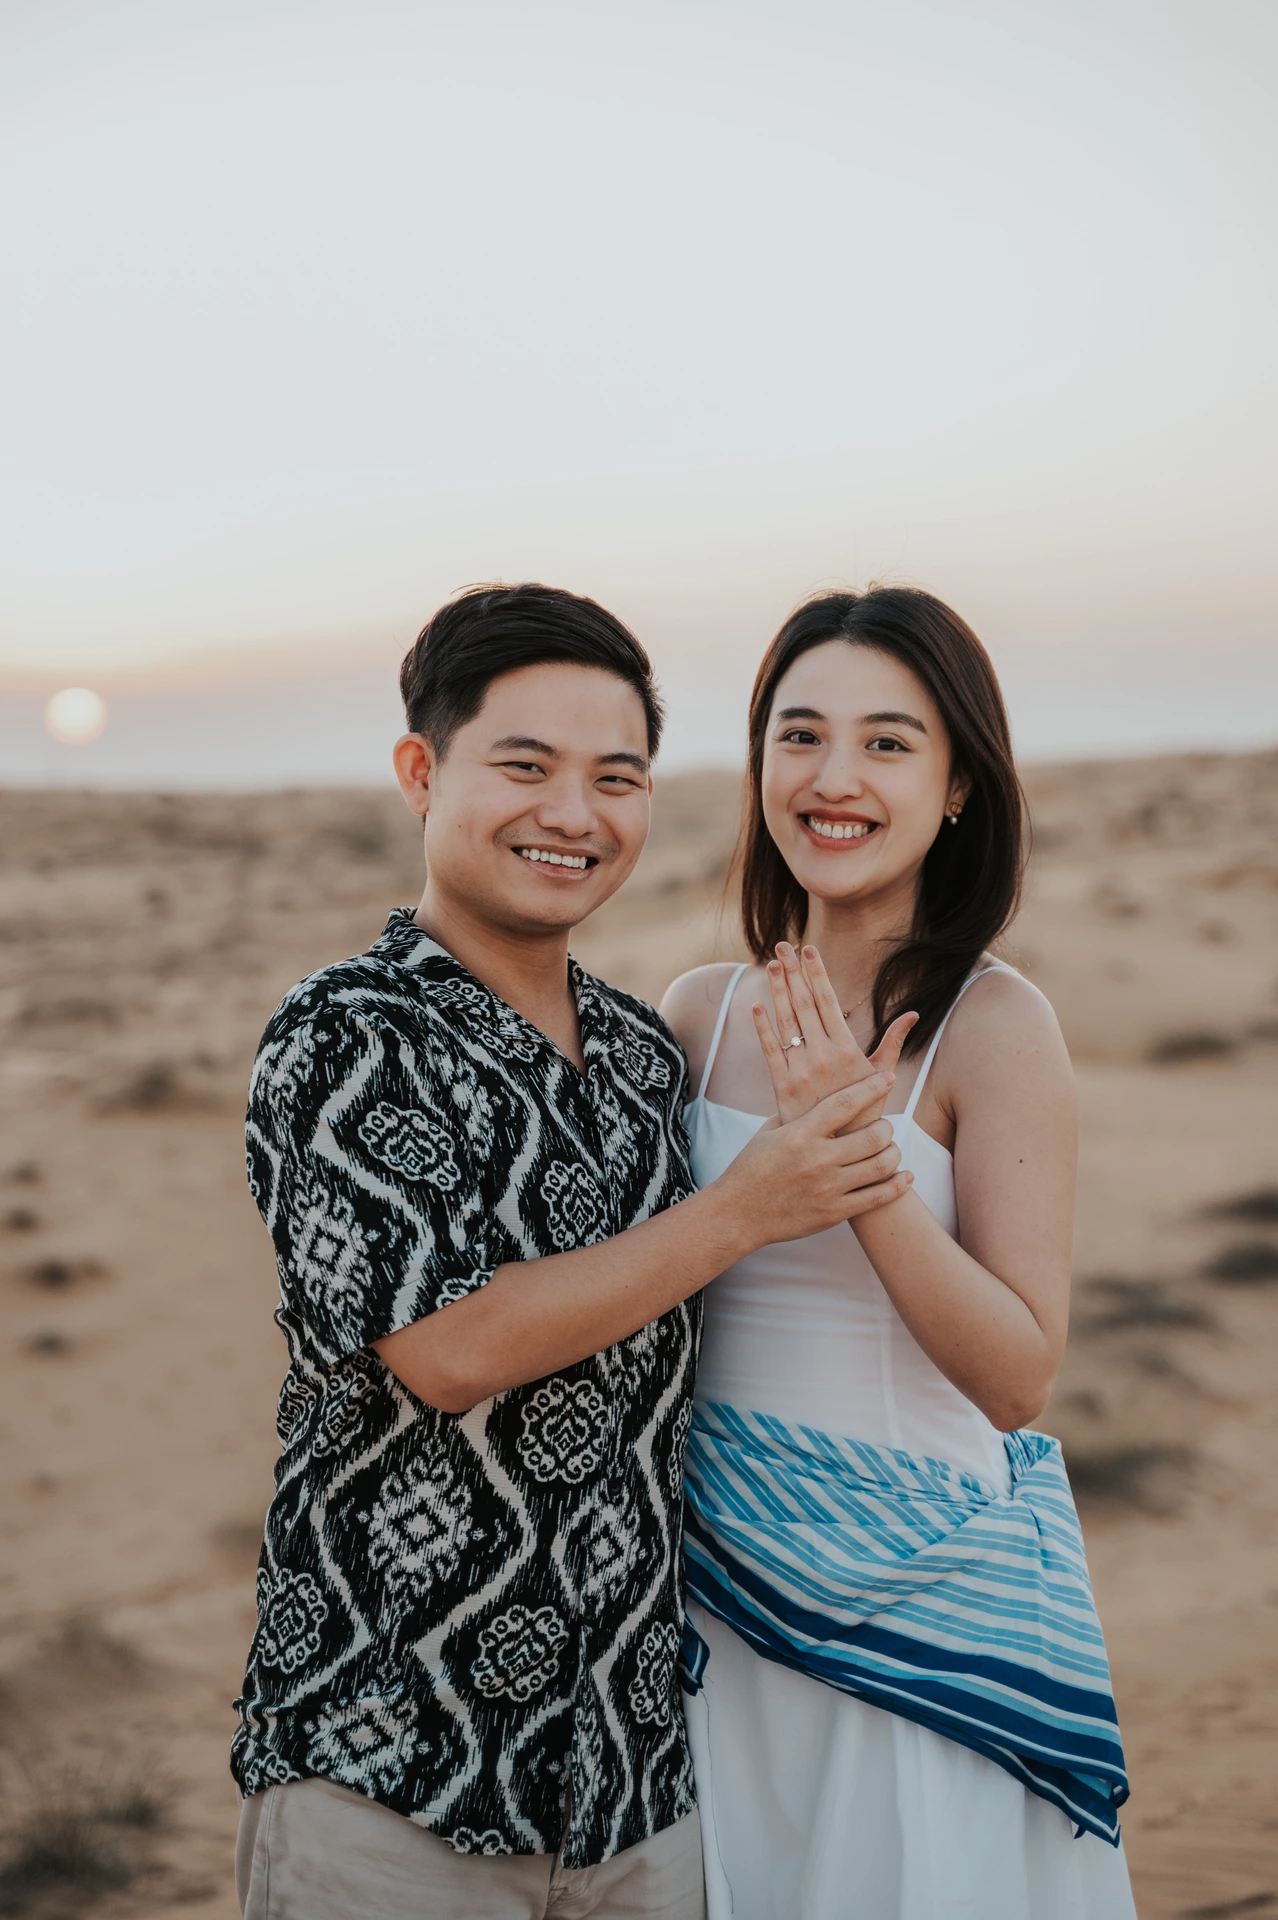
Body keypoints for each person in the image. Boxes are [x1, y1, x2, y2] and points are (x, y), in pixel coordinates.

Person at [231, 583, 913, 1920]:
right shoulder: (348, 1038)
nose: (574, 815)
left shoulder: (644, 1053)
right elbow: (448, 1346)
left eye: (617, 777)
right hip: (391, 1782)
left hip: (637, 1791)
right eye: (525, 767)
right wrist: (746, 1205)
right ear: (422, 773)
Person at [662, 587, 1138, 1920]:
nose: (832, 778)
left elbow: (1015, 1376)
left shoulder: (994, 1025)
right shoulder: (693, 1014)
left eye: (885, 743)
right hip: (717, 1615)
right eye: (797, 734)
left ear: (955, 789)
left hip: (915, 1623)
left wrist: (850, 1163)